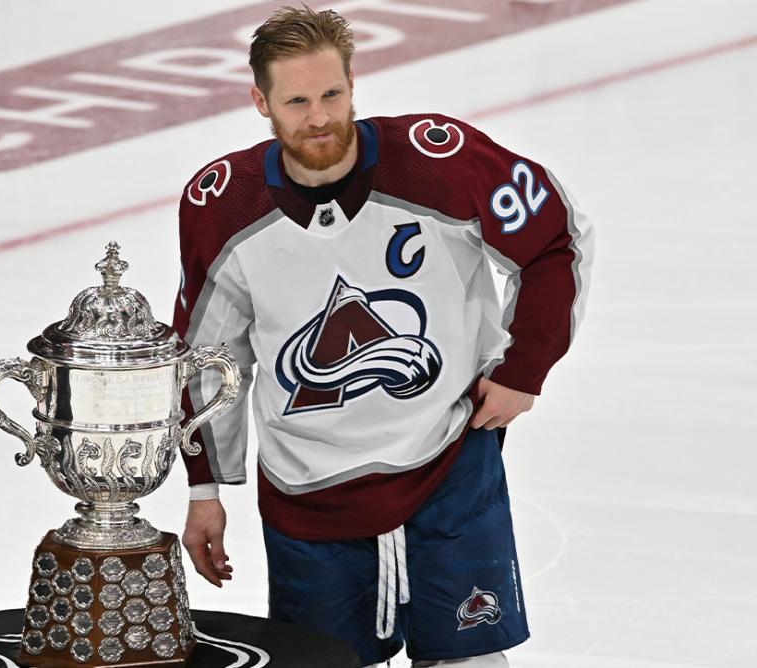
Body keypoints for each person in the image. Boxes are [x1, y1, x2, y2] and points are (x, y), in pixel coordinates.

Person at [174, 6, 592, 667]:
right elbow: (208, 357)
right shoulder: (219, 204)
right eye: (298, 100)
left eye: (333, 94)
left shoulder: (440, 159)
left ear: (353, 82)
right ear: (261, 101)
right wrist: (205, 490)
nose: (319, 118)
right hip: (306, 493)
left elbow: (555, 237)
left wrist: (523, 369)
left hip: (448, 465)